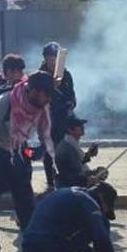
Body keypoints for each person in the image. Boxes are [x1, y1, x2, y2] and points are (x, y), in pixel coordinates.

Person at [0, 70, 56, 252]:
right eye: (44, 94)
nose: (46, 99)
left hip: (18, 153)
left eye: (49, 95)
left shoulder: (40, 107)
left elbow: (41, 136)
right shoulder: (3, 104)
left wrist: (37, 151)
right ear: (32, 90)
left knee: (26, 207)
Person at [21, 182, 123, 252]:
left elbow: (75, 242)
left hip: (28, 248)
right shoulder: (88, 203)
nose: (105, 211)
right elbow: (100, 237)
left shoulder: (65, 192)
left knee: (71, 232)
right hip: (49, 250)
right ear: (101, 197)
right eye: (107, 207)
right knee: (102, 225)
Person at [38, 42, 77, 190]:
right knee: (48, 151)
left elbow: (72, 97)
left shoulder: (66, 75)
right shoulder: (40, 76)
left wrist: (70, 105)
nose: (53, 62)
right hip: (45, 119)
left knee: (63, 151)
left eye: (56, 59)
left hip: (62, 119)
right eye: (50, 59)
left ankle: (63, 181)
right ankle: (50, 182)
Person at [54, 114, 105, 189]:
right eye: (79, 125)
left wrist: (89, 155)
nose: (83, 127)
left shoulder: (70, 143)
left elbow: (76, 164)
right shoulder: (66, 148)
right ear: (70, 129)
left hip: (76, 182)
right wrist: (87, 179)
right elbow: (68, 175)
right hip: (71, 187)